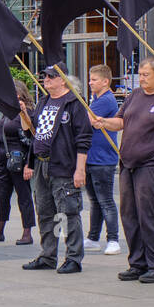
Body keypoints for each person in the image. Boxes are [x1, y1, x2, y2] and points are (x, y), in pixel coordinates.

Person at [93, 58, 154, 283]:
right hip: (128, 164)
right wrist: (103, 122)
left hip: (152, 165)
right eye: (140, 74)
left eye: (146, 74)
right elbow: (120, 121)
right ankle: (137, 263)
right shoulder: (134, 95)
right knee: (130, 215)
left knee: (150, 216)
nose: (142, 78)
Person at [22, 67, 92, 275]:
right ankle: (48, 255)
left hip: (64, 166)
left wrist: (80, 170)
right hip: (43, 164)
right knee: (45, 212)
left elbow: (83, 139)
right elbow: (34, 132)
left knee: (68, 212)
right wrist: (23, 113)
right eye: (45, 76)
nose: (46, 79)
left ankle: (73, 257)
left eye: (51, 76)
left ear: (63, 81)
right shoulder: (44, 101)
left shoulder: (74, 103)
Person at [0, 80, 35, 245]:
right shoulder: (6, 112)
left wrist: (30, 164)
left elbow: (32, 138)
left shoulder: (26, 111)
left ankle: (27, 232)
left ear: (21, 94)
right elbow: (5, 130)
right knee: (1, 195)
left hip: (18, 159)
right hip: (2, 159)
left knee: (24, 196)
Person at [84, 64, 121, 255]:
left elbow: (85, 118)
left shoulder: (106, 100)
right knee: (95, 200)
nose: (90, 83)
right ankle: (92, 237)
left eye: (94, 80)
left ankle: (113, 239)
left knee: (105, 200)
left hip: (103, 158)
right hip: (92, 156)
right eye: (90, 79)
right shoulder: (96, 99)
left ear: (106, 82)